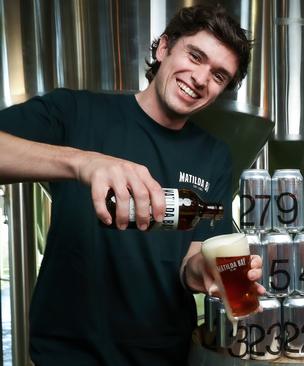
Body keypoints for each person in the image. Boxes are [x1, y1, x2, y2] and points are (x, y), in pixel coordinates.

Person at [0, 5, 264, 365]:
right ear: (164, 48)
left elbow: (190, 259)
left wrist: (205, 271)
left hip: (165, 356)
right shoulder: (77, 113)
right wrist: (81, 162)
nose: (201, 78)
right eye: (195, 56)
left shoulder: (213, 155)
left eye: (218, 75)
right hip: (70, 354)